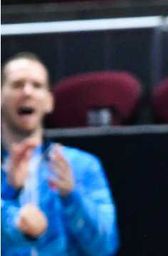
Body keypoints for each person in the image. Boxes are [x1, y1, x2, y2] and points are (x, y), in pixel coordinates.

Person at [1, 52, 119, 255]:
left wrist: (72, 196)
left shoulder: (81, 165)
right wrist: (9, 193)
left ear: (49, 101)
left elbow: (105, 246)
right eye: (17, 84)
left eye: (37, 85)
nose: (27, 92)